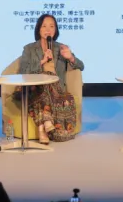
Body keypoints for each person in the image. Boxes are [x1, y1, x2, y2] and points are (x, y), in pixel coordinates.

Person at [18, 14, 84, 144]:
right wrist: (42, 62)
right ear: (38, 29)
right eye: (44, 26)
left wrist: (70, 57)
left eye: (52, 26)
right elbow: (23, 72)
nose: (48, 29)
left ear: (56, 30)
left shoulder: (61, 48)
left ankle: (42, 128)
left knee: (49, 84)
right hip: (33, 86)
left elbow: (81, 66)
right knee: (44, 84)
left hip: (56, 88)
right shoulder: (29, 49)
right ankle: (46, 123)